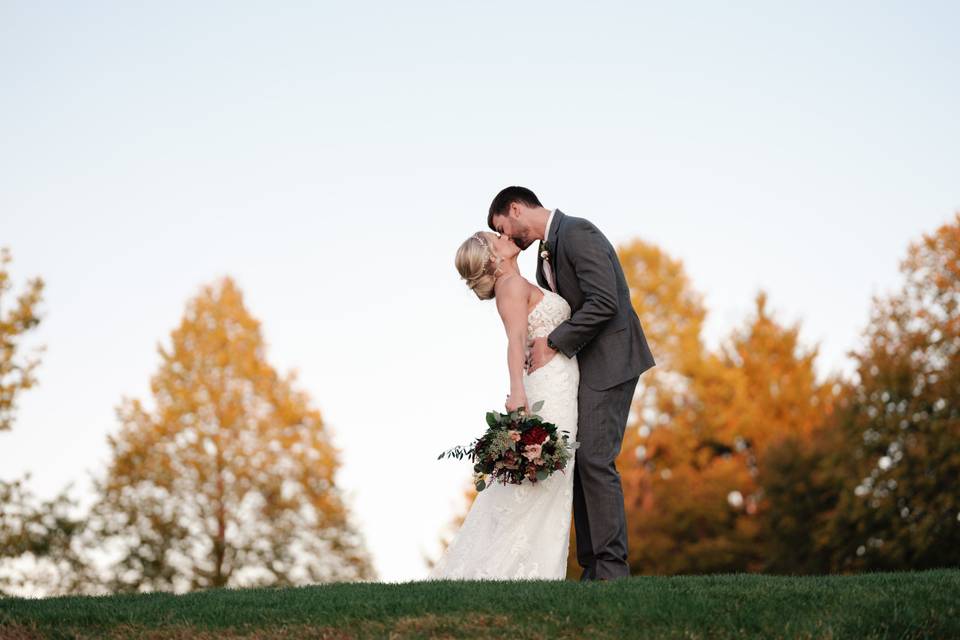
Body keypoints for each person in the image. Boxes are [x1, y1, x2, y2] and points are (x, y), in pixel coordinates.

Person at [488, 186, 655, 581]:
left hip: (612, 362)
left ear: (515, 209)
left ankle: (611, 570)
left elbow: (604, 302)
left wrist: (555, 341)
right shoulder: (547, 253)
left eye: (504, 228)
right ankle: (594, 567)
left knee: (596, 460)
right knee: (582, 464)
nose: (509, 239)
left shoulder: (578, 233)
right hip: (585, 367)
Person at [428, 230, 579, 579]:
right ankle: (508, 570)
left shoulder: (519, 281)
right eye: (494, 236)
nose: (503, 235)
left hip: (562, 382)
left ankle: (537, 570)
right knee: (543, 478)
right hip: (546, 387)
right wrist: (517, 394)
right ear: (493, 257)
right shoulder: (510, 286)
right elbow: (515, 342)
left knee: (552, 478)